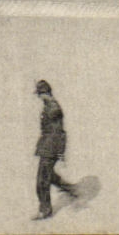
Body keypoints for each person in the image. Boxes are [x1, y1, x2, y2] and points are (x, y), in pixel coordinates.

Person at [32, 80, 79, 220]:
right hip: (47, 146)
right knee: (48, 175)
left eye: (40, 94)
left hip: (50, 148)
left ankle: (45, 210)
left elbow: (59, 132)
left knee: (41, 181)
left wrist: (60, 153)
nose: (39, 97)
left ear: (45, 93)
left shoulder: (53, 108)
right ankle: (69, 189)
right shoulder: (49, 106)